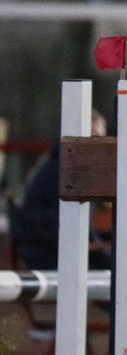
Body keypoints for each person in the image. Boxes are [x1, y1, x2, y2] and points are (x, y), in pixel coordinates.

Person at [13, 109, 112, 271]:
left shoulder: (59, 162)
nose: (97, 145)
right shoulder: (65, 170)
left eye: (99, 138)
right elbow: (65, 226)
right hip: (51, 250)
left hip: (47, 247)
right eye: (92, 137)